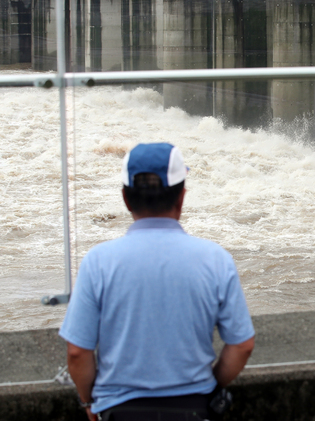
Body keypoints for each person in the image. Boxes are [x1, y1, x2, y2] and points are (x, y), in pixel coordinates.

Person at [60, 142, 255, 421]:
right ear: (182, 197)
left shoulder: (98, 261)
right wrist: (209, 386)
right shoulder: (215, 259)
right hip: (194, 409)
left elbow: (78, 352)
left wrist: (89, 401)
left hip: (120, 411)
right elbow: (243, 344)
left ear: (126, 199)